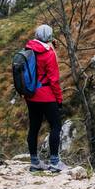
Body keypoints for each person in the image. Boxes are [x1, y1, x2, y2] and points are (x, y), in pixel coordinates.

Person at [24, 24, 64, 173]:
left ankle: (34, 162)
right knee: (56, 126)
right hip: (47, 95)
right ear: (49, 37)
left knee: (34, 126)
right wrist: (59, 99)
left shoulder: (28, 50)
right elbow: (54, 80)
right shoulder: (49, 54)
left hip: (31, 95)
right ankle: (54, 162)